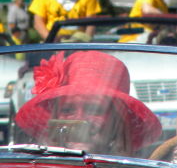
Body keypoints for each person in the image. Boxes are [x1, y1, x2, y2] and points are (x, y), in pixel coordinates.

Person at [15, 50, 162, 155]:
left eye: (95, 110)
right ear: (55, 119)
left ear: (117, 121)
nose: (80, 119)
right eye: (67, 110)